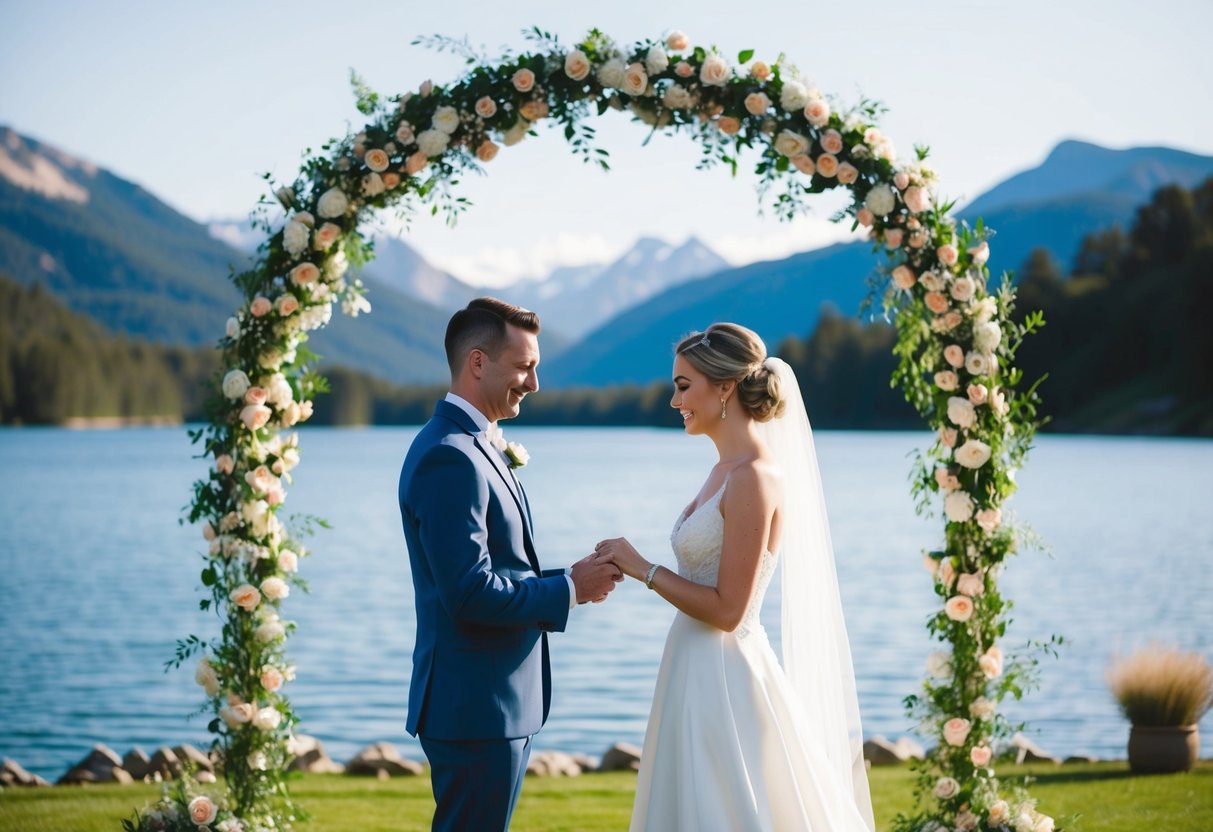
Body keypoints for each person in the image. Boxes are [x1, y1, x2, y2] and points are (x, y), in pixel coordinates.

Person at [596, 322, 875, 831]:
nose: (674, 400)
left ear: (724, 387)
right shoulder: (723, 469)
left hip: (725, 676)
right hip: (689, 664)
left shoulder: (754, 477)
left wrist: (643, 569)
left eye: (684, 386)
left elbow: (729, 611)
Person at [398, 297, 622, 832]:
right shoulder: (450, 455)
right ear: (478, 362)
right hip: (477, 708)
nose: (534, 383)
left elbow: (495, 569)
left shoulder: (475, 446)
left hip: (491, 705)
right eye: (525, 367)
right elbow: (469, 592)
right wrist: (568, 589)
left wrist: (565, 578)